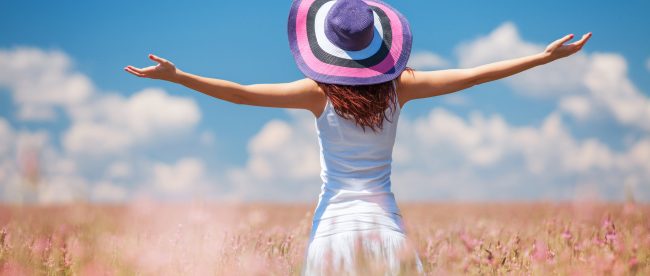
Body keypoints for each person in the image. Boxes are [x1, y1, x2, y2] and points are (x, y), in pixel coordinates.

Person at [124, 0, 592, 274]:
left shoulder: (315, 93)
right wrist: (541, 58)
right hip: (388, 235)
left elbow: (243, 95)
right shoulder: (399, 87)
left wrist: (179, 76)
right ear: (377, 45)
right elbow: (471, 76)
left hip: (331, 237)